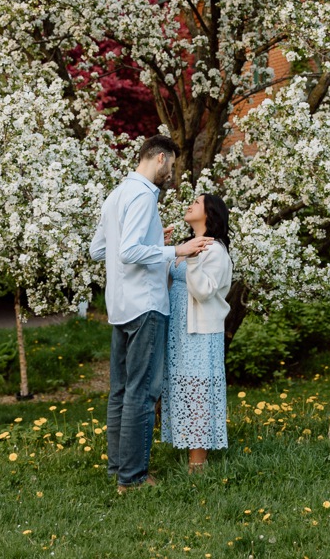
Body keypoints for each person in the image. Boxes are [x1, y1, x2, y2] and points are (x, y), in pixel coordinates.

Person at [89, 135, 212, 493]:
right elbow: (127, 251)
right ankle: (133, 478)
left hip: (120, 306)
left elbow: (99, 250)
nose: (170, 174)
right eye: (171, 166)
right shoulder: (143, 194)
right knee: (142, 393)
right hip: (145, 304)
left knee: (121, 391)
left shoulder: (116, 195)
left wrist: (154, 241)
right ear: (159, 159)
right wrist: (178, 248)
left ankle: (118, 469)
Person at [161, 192, 233, 472]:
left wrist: (190, 258)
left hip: (200, 332)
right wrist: (166, 250)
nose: (190, 205)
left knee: (198, 390)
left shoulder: (215, 250)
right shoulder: (188, 245)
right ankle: (186, 446)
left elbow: (203, 291)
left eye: (197, 202)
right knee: (182, 388)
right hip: (178, 327)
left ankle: (198, 462)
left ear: (209, 213)